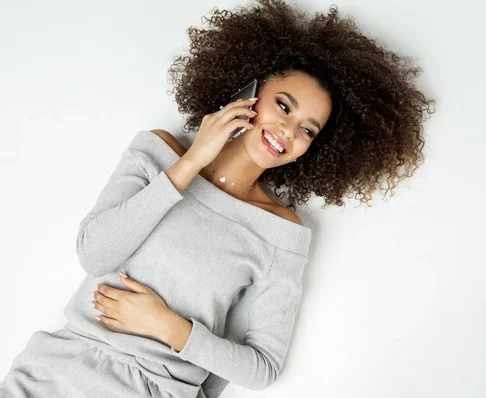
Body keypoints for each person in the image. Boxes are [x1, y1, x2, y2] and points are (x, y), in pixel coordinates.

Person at [0, 0, 435, 397]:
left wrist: (169, 327)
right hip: (52, 374)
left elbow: (262, 368)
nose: (288, 131)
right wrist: (191, 162)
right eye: (284, 106)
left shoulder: (281, 233)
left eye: (307, 129)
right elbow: (95, 255)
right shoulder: (157, 152)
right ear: (250, 89)